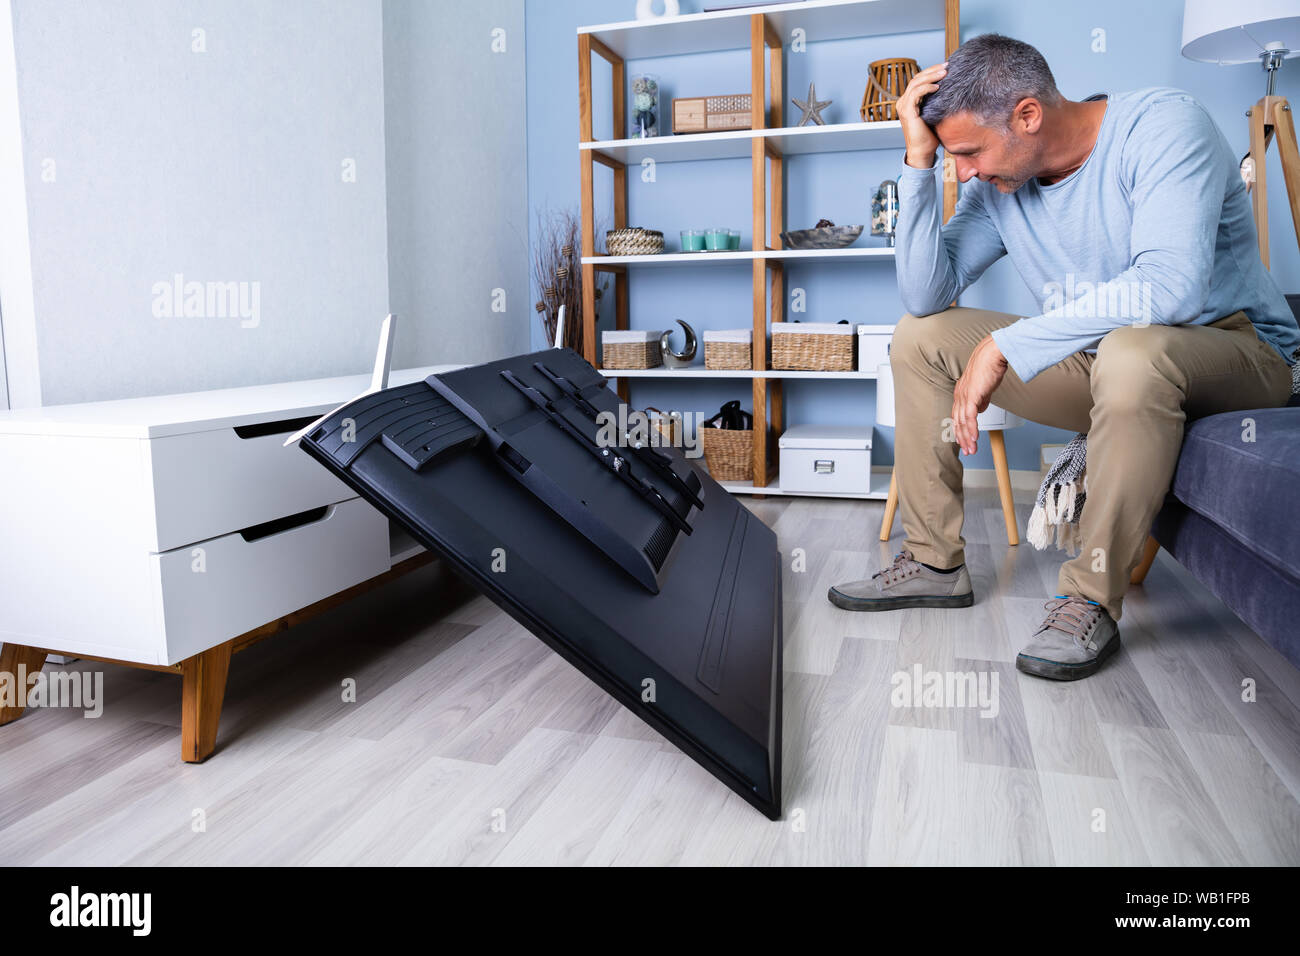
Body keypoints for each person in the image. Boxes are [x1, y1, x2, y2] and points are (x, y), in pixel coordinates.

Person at [828, 34, 1299, 680]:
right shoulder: (998, 187)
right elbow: (925, 293)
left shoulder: (1164, 126)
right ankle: (935, 561)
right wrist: (916, 161)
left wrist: (1008, 345)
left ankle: (1087, 597)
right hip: (1111, 358)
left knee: (1133, 354)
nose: (961, 171)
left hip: (1240, 349)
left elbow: (1171, 288)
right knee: (918, 336)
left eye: (966, 152)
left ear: (1027, 116)